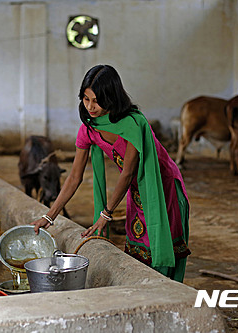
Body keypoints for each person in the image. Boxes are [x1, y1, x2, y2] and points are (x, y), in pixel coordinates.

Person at [31, 64, 190, 282]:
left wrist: (105, 215)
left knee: (159, 244)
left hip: (160, 186)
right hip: (136, 188)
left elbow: (127, 173)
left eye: (97, 100)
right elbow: (74, 176)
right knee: (139, 245)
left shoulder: (133, 123)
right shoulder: (89, 128)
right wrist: (50, 215)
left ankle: (165, 297)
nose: (90, 106)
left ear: (112, 97)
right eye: (86, 99)